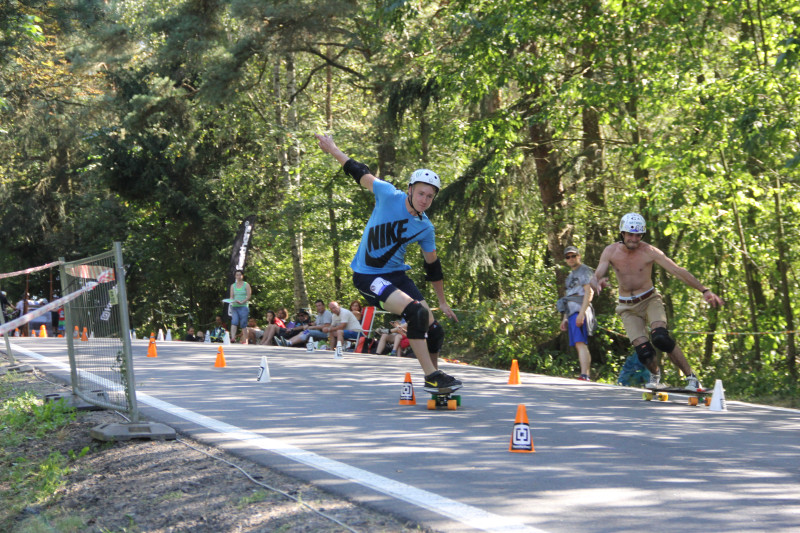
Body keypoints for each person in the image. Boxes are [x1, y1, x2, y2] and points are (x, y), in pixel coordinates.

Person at [315, 133, 461, 394]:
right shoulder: (387, 194)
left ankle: (437, 382)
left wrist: (441, 301)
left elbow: (433, 267)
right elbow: (358, 171)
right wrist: (333, 149)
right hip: (368, 276)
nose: (424, 199)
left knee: (434, 329)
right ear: (410, 190)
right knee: (416, 314)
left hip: (397, 276)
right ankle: (431, 375)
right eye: (420, 193)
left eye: (430, 196)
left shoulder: (425, 227)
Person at [590, 213, 724, 391]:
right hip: (626, 307)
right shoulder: (611, 251)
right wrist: (596, 282)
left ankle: (691, 378)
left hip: (649, 299)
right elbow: (597, 273)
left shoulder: (649, 251)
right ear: (622, 234)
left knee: (661, 337)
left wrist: (704, 290)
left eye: (638, 235)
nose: (634, 239)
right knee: (644, 351)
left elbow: (677, 270)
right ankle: (655, 375)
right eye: (630, 234)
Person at [558, 246, 596, 381]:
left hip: (580, 310)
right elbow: (569, 297)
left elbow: (589, 292)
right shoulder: (570, 276)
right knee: (578, 343)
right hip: (572, 312)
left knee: (581, 342)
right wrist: (565, 318)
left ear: (578, 256)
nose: (571, 259)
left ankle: (585, 375)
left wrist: (582, 313)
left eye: (573, 256)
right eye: (568, 257)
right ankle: (584, 373)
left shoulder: (584, 270)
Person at [228, 269, 252, 342]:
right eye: (237, 275)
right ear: (235, 276)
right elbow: (231, 296)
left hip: (243, 306)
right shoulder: (233, 286)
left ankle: (245, 339)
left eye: (239, 275)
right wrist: (233, 300)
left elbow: (249, 296)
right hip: (235, 306)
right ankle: (233, 338)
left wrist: (242, 302)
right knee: (234, 321)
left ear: (242, 276)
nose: (238, 276)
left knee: (243, 323)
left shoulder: (246, 284)